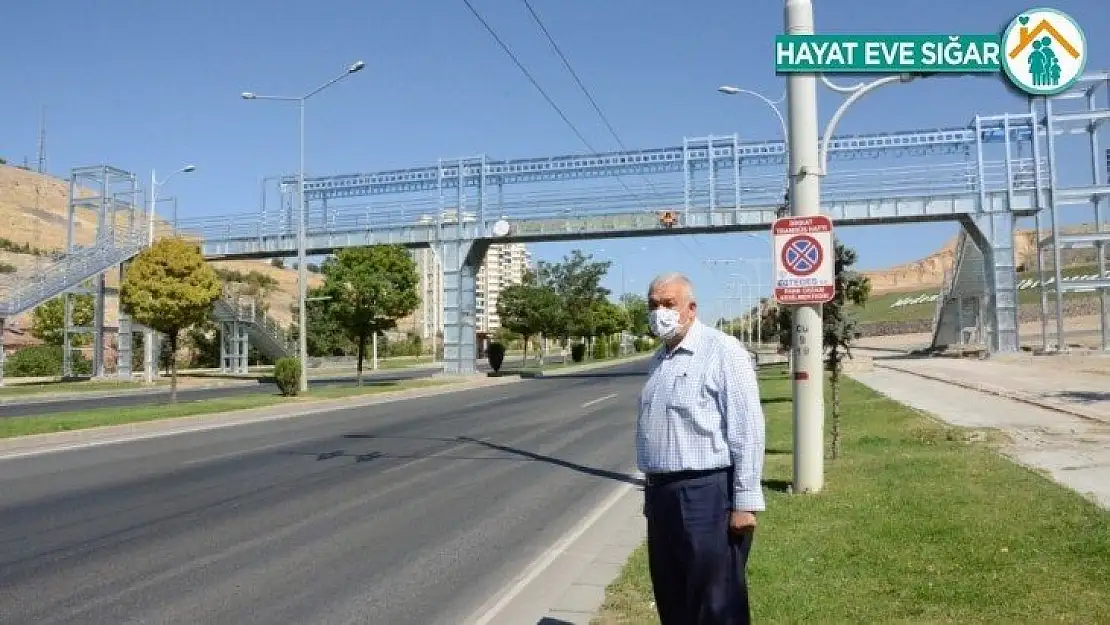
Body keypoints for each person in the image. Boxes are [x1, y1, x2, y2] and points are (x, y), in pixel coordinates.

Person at [637, 272, 767, 625]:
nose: (659, 312)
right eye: (653, 305)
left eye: (668, 304)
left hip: (706, 495)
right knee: (672, 595)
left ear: (691, 309)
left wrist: (745, 502)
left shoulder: (722, 351)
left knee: (716, 601)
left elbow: (747, 429)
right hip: (662, 496)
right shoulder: (660, 359)